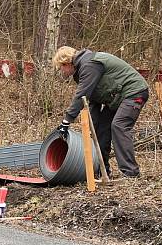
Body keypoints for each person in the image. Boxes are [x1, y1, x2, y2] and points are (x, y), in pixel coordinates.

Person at [52, 46, 149, 178]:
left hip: (133, 92)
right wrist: (93, 128)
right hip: (117, 98)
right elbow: (92, 101)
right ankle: (102, 171)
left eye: (61, 67)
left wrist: (66, 120)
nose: (61, 71)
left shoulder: (89, 65)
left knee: (119, 125)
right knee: (102, 130)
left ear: (66, 63)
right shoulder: (82, 70)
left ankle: (131, 173)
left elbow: (82, 95)